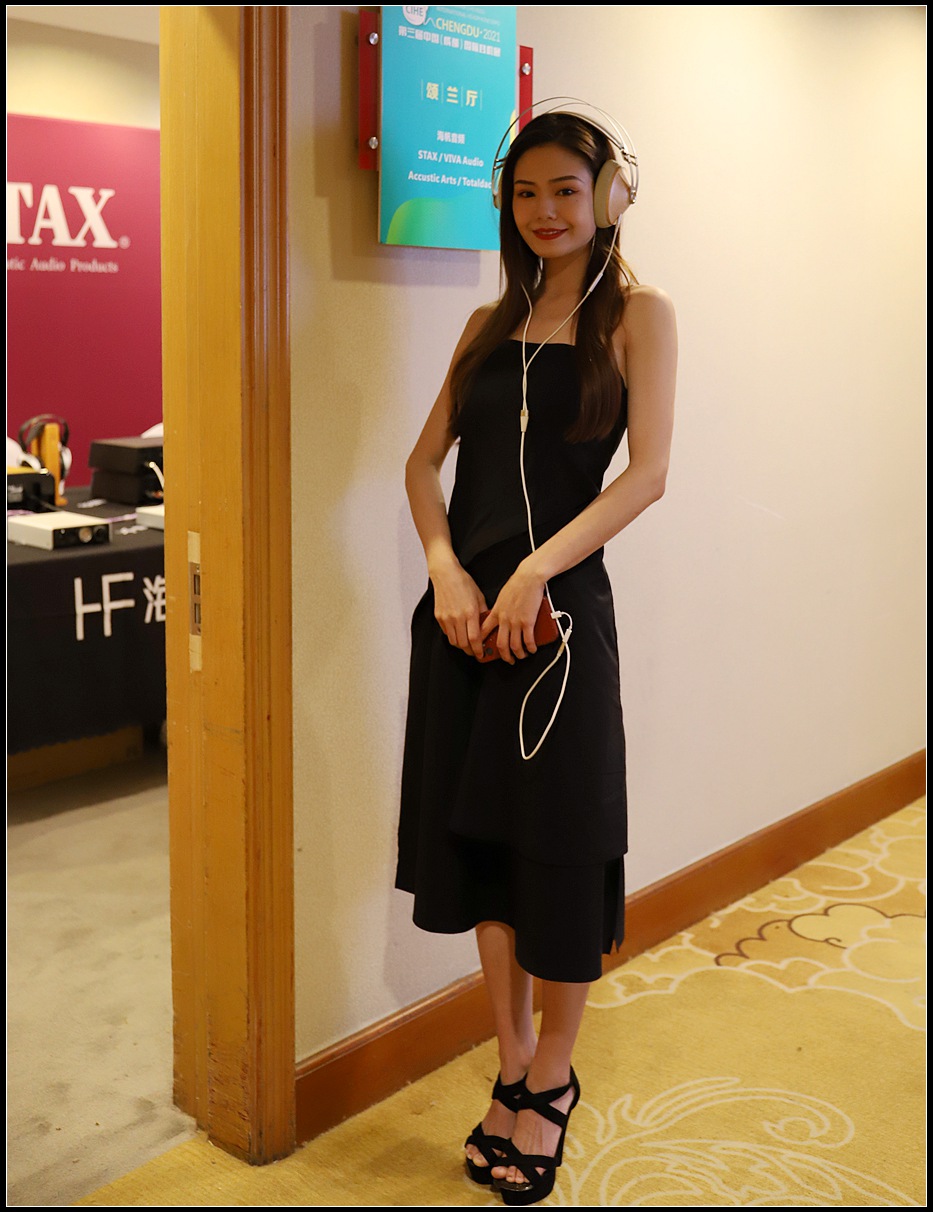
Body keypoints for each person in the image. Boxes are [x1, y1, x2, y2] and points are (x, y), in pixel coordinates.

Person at [396, 106, 677, 1205]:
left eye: (567, 189)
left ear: (610, 194)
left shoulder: (640, 317)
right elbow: (422, 467)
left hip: (557, 627)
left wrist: (532, 571)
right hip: (464, 627)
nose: (544, 211)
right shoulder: (486, 324)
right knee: (480, 847)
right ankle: (509, 1058)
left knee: (558, 848)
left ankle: (553, 1075)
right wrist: (445, 569)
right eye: (525, 192)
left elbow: (646, 474)